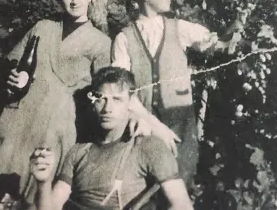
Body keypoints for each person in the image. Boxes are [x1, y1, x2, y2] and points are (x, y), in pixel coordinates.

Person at [0, 0, 112, 205]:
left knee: (37, 194)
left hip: (56, 125)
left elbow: (98, 94)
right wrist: (16, 77)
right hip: (19, 120)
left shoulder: (100, 43)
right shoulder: (43, 27)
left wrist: (76, 99)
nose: (74, 0)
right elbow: (11, 64)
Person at [111, 0, 241, 189]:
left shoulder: (179, 28)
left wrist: (234, 36)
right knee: (145, 193)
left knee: (179, 190)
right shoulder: (123, 39)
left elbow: (215, 44)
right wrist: (153, 125)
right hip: (145, 128)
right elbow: (122, 93)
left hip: (181, 129)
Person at [29, 66, 193, 210]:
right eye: (101, 99)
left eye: (117, 99)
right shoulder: (79, 152)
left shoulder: (149, 147)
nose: (108, 108)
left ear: (130, 103)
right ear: (93, 103)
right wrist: (43, 183)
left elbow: (182, 205)